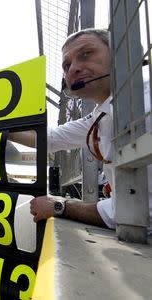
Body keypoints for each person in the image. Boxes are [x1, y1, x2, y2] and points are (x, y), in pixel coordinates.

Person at [23, 28, 151, 234]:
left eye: (86, 54)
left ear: (120, 53)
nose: (73, 69)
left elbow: (138, 213)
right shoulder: (100, 114)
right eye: (67, 65)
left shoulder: (146, 103)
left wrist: (61, 206)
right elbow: (50, 138)